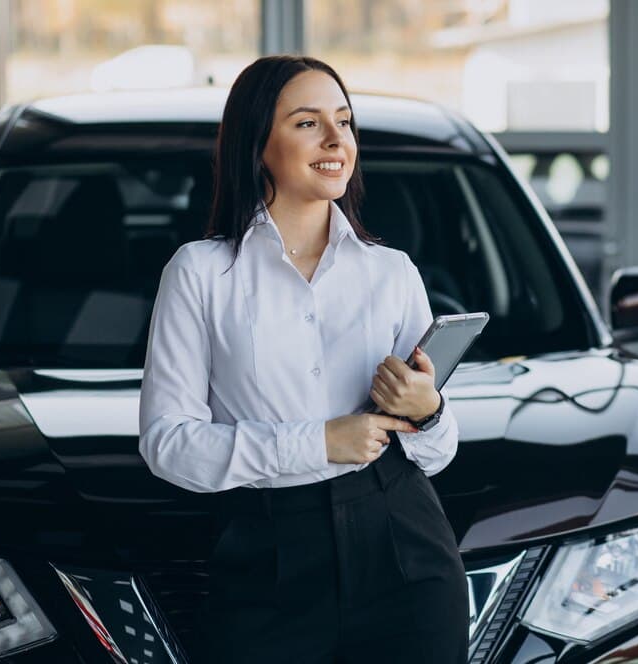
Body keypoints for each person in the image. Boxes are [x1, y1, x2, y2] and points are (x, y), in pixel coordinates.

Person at [138, 55, 468, 663]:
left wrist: (429, 411)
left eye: (344, 121)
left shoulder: (391, 272)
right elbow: (168, 444)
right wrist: (317, 442)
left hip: (404, 545)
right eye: (307, 122)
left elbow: (439, 453)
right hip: (267, 560)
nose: (336, 139)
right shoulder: (201, 273)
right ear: (257, 142)